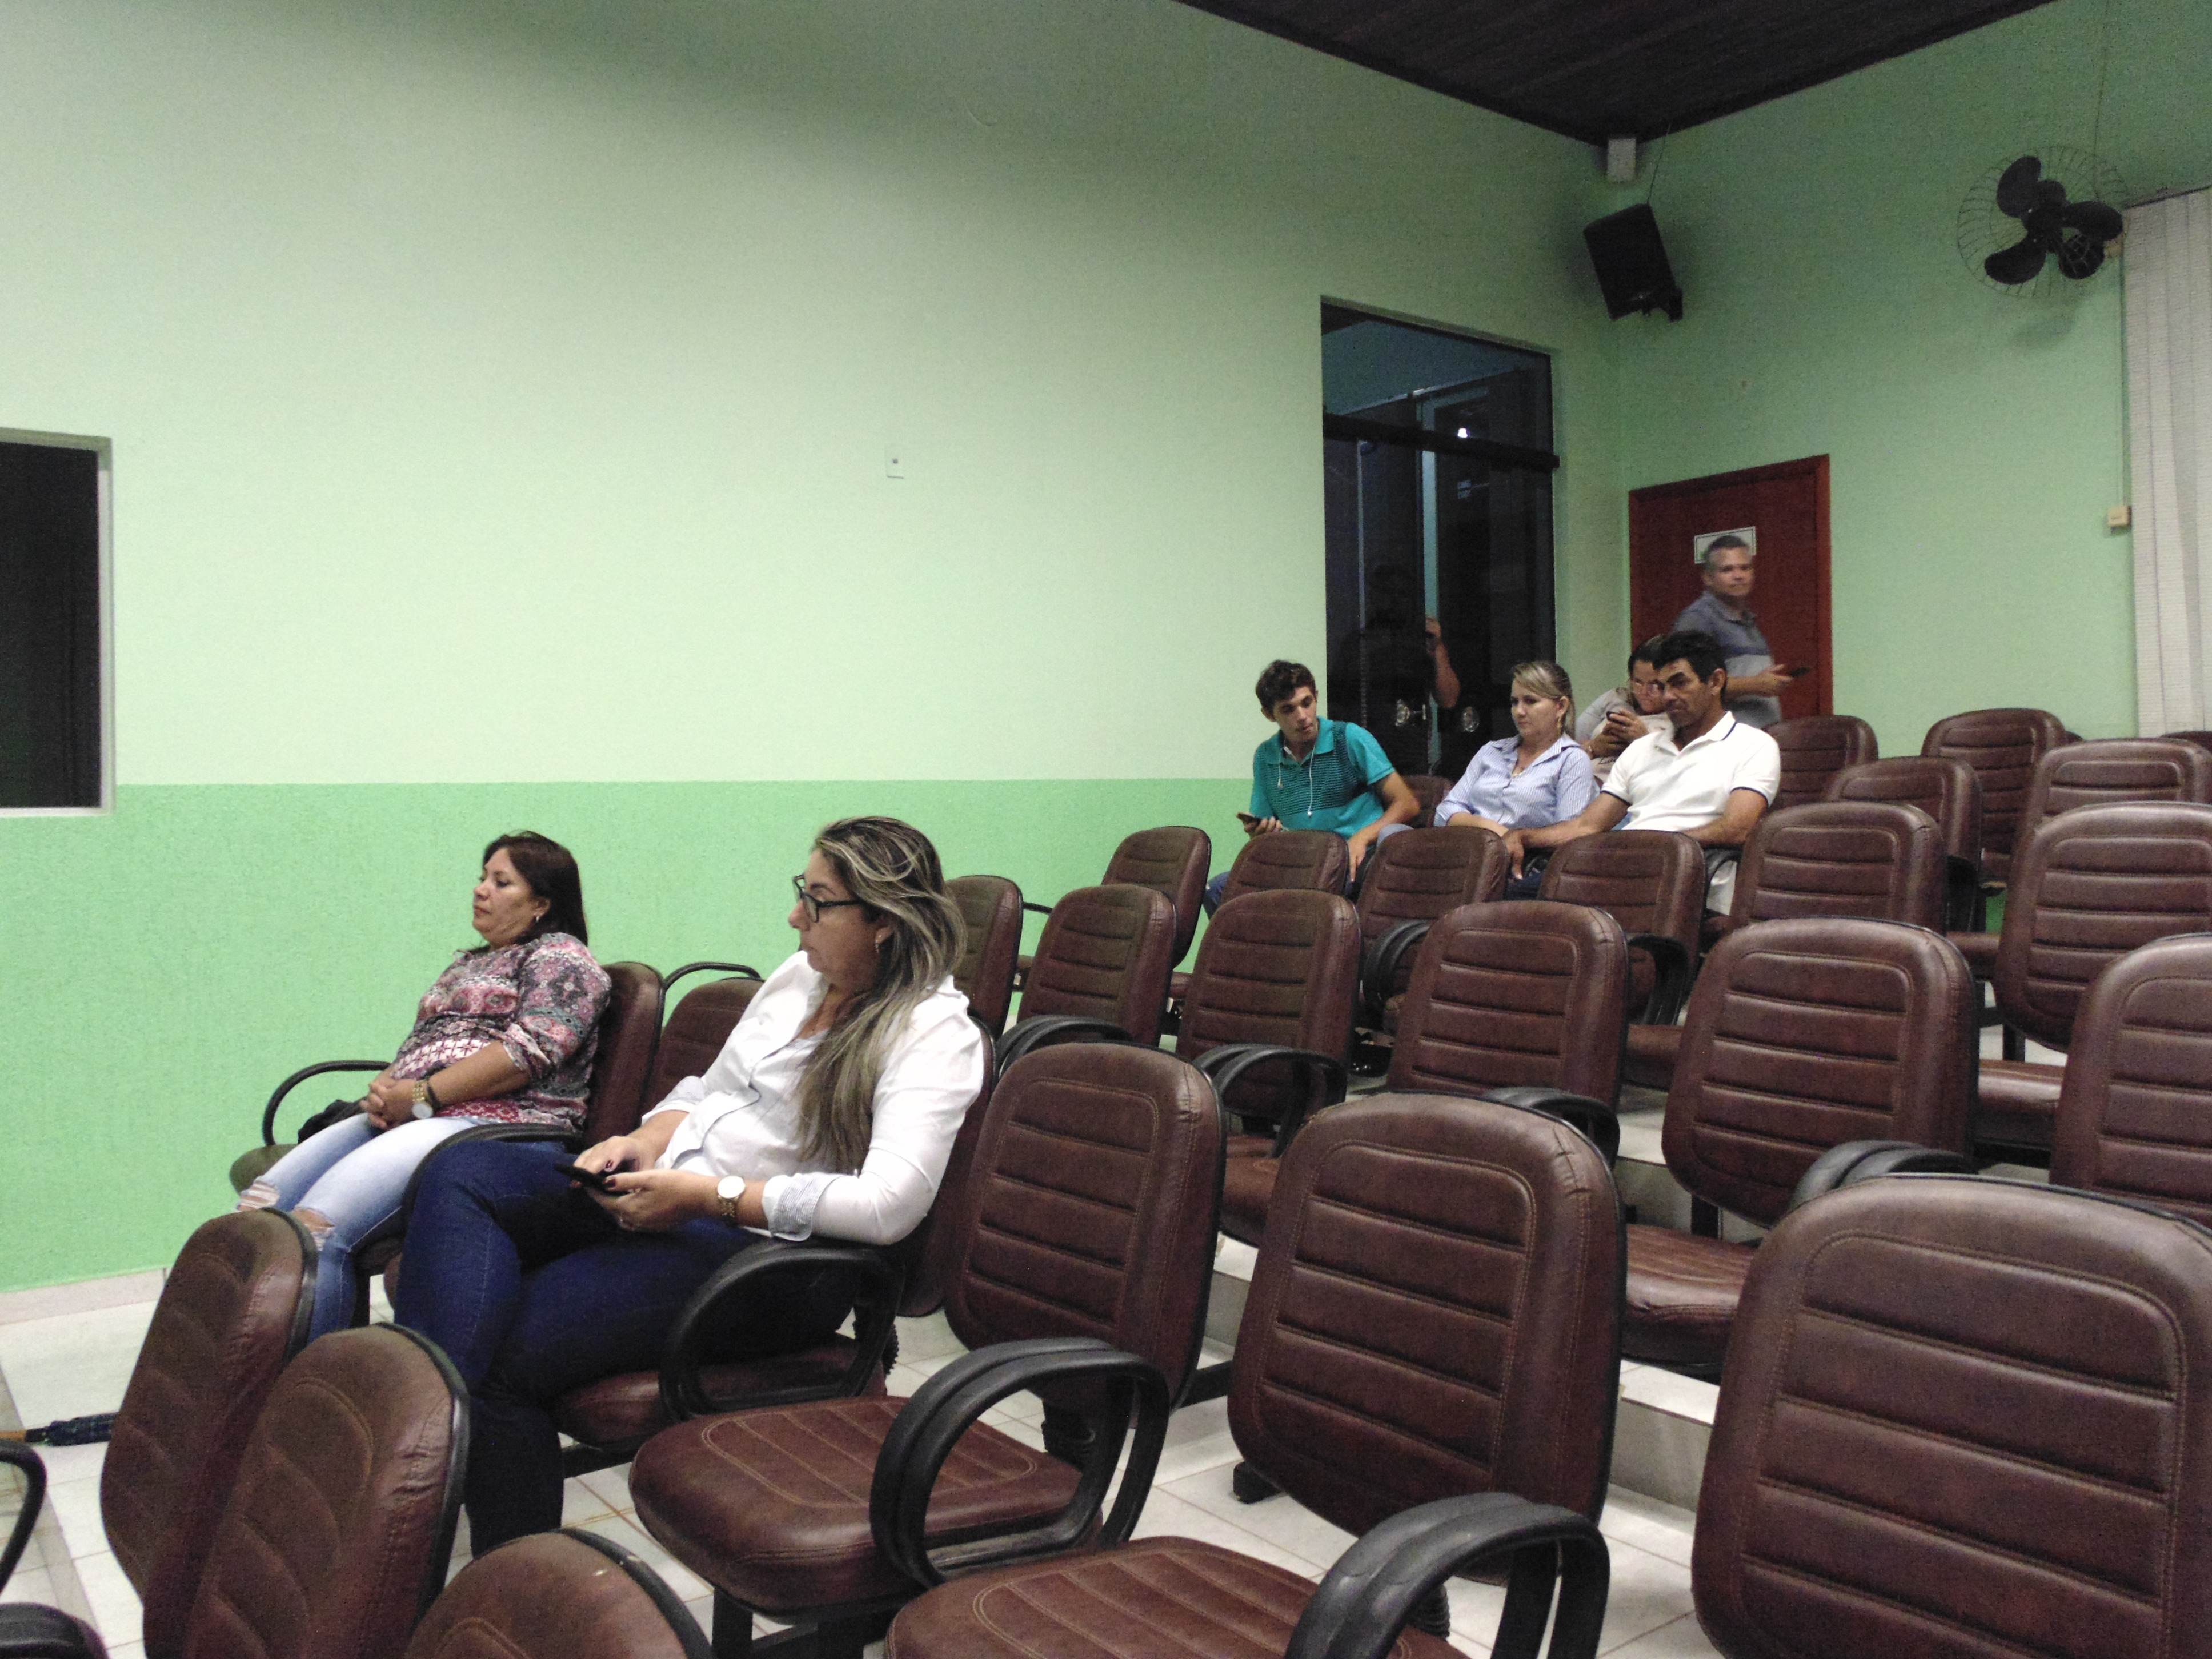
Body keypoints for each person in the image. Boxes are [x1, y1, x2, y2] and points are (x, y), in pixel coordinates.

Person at [392, 816, 987, 1553]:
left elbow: (888, 1206)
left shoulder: (933, 1033)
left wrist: (709, 1197)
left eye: (818, 901)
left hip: (771, 1258)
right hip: (677, 1192)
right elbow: (709, 1092)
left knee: (506, 1359)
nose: (795, 916)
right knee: (458, 1169)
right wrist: (639, 1143)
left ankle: (478, 1547)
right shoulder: (802, 977)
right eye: (801, 891)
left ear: (885, 924)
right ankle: (424, 1431)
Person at [236, 832, 610, 1341]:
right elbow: (422, 1045)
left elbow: (530, 1052)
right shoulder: (468, 963)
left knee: (318, 1229)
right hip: (427, 1112)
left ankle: (311, 1382)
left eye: (502, 882)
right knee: (255, 1214)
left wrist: (418, 1096)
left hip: (500, 1127)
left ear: (541, 903)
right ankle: (234, 1369)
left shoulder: (563, 958)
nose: (481, 889)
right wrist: (384, 1091)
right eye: (482, 877)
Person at [1501, 631, 1780, 913]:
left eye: (1680, 683)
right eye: (1662, 686)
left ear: (1715, 682)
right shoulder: (1641, 749)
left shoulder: (1753, 745)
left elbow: (1736, 829)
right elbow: (1587, 826)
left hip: (1690, 880)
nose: (1668, 696)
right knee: (1507, 901)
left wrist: (1652, 848)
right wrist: (1524, 837)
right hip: (1622, 873)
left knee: (1558, 919)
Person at [1207, 659, 1421, 912]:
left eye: (1306, 703)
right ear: (1269, 714)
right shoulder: (1265, 757)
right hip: (1302, 862)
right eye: (1288, 710)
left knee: (1317, 889)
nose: (1302, 716)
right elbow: (1265, 833)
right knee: (1217, 889)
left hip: (1354, 859)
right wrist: (1262, 834)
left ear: (1316, 697)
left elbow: (1408, 804)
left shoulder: (1349, 738)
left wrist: (1362, 837)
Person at [1433, 663, 1597, 897]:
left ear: (1560, 706)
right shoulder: (1492, 751)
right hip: (1467, 857)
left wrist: (1518, 839)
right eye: (1514, 702)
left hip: (1523, 870)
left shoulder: (1571, 760)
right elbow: (1444, 812)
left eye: (1530, 701)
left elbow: (1566, 836)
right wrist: (1496, 830)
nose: (1519, 711)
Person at [1672, 535, 1797, 730]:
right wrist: (1755, 684)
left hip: (1761, 735)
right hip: (1724, 739)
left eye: (1745, 568)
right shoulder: (1698, 619)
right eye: (1727, 570)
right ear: (1708, 578)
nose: (1739, 576)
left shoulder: (1747, 619)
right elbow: (1688, 686)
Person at [1575, 640, 1673, 784]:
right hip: (1582, 778)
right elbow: (1566, 744)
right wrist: (1594, 747)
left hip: (1625, 788)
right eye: (1638, 682)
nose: (1644, 692)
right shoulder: (1617, 698)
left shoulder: (1677, 716)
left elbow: (1677, 770)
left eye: (1654, 685)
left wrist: (1644, 739)